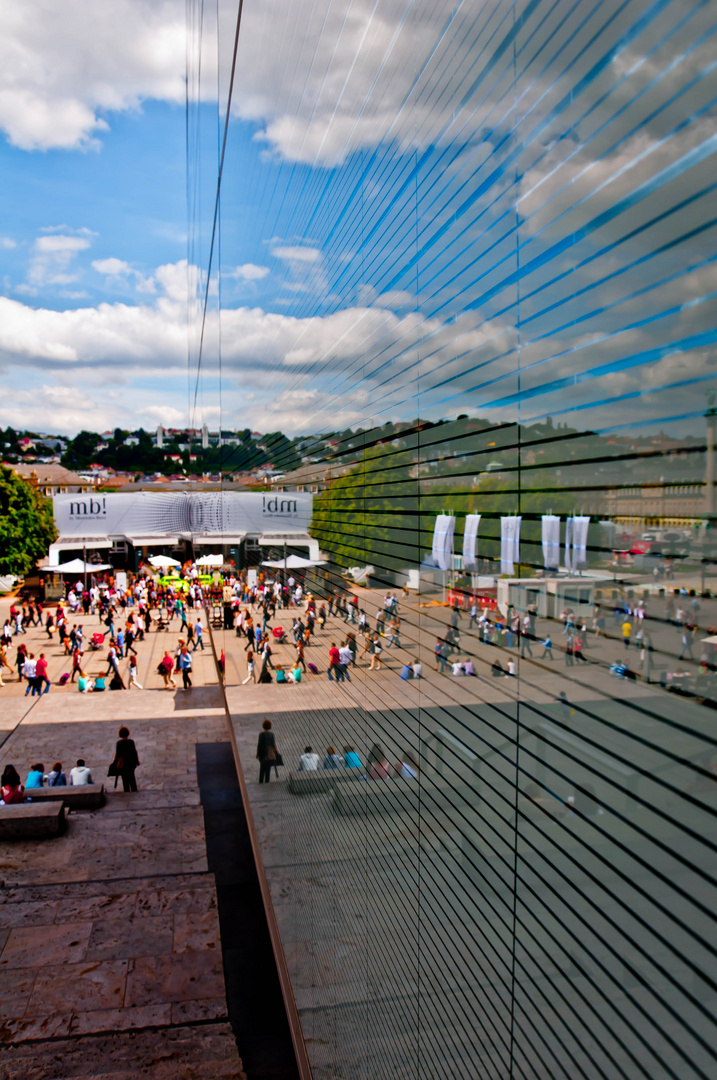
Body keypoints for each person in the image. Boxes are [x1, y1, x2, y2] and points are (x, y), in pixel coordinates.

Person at [113, 727, 140, 792]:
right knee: (132, 778)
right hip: (131, 763)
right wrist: (137, 761)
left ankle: (127, 791)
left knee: (125, 779)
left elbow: (118, 754)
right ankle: (134, 790)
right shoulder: (131, 742)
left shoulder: (119, 743)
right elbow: (134, 752)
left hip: (123, 764)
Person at [256, 719, 277, 783]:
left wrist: (258, 754)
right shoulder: (271, 734)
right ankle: (267, 782)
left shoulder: (261, 734)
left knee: (262, 769)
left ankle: (261, 782)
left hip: (262, 753)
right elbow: (274, 745)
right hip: (269, 754)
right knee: (268, 769)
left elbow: (259, 745)